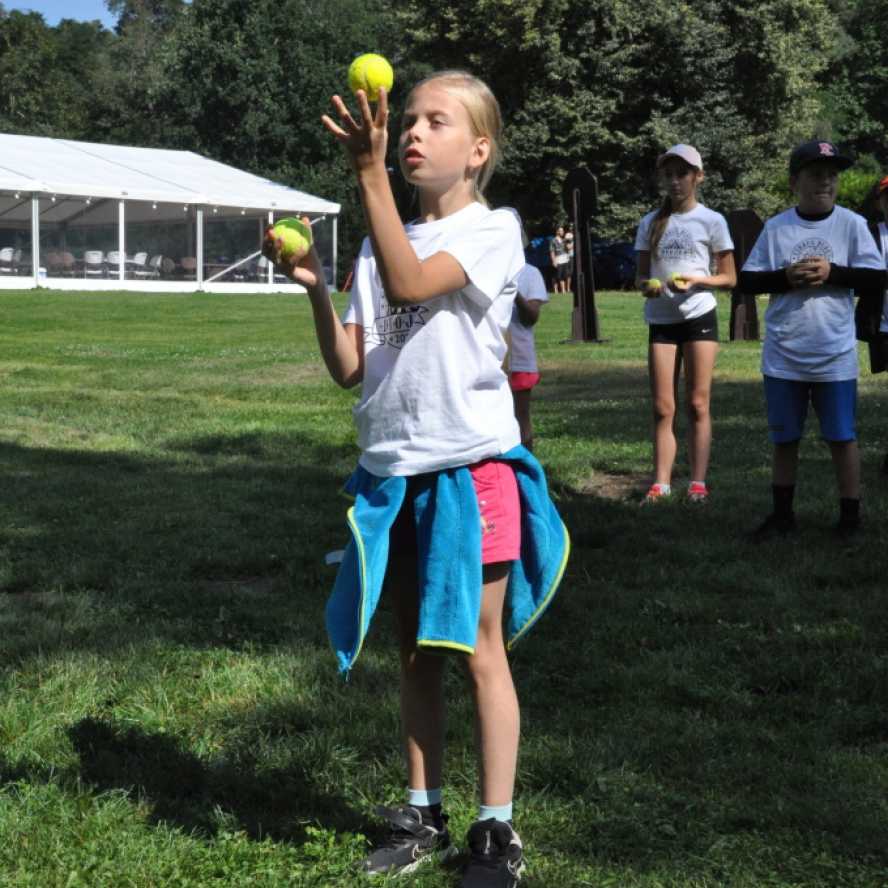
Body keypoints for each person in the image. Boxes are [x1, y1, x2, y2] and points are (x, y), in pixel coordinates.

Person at [264, 70, 569, 887]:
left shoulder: (491, 229)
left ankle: (496, 829)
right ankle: (423, 811)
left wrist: (366, 175)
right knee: (412, 654)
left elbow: (413, 282)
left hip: (471, 473)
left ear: (477, 151)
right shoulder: (374, 241)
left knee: (478, 649)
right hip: (395, 475)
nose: (410, 133)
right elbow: (351, 368)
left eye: (436, 122)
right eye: (406, 121)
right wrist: (316, 296)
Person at [739, 140, 885, 540]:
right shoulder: (778, 227)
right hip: (785, 353)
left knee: (841, 436)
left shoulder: (852, 225)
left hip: (834, 353)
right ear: (794, 182)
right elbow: (748, 281)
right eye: (815, 174)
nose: (825, 181)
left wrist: (833, 272)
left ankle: (850, 519)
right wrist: (786, 278)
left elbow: (876, 278)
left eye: (832, 175)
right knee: (785, 437)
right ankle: (783, 516)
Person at [634, 144, 736, 503]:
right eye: (670, 174)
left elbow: (729, 278)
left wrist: (696, 280)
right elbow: (640, 276)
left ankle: (697, 483)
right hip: (662, 319)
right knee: (663, 406)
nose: (676, 181)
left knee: (697, 403)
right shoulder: (649, 222)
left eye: (683, 174)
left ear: (698, 177)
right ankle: (661, 483)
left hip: (698, 317)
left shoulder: (712, 221)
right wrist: (648, 287)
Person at [508, 257, 549, 450]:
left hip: (518, 358)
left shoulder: (530, 273)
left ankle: (525, 471)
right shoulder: (480, 265)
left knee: (520, 415)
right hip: (486, 358)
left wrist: (513, 292)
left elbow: (531, 317)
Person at [549, 225, 569, 293]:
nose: (562, 232)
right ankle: (556, 290)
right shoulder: (553, 240)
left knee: (563, 275)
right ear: (557, 232)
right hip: (557, 259)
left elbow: (567, 249)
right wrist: (554, 261)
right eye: (561, 231)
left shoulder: (564, 240)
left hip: (564, 259)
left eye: (563, 231)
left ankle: (563, 290)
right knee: (556, 275)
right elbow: (552, 251)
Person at [564, 227, 574, 293]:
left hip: (575, 256)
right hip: (569, 256)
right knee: (569, 273)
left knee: (572, 273)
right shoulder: (568, 235)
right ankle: (567, 288)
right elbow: (568, 247)